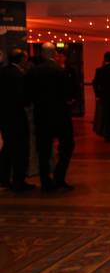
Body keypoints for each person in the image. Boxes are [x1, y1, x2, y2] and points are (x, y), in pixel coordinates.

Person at [27, 43, 75, 192]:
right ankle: (59, 178)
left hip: (41, 116)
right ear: (54, 53)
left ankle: (45, 182)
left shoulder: (33, 72)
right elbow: (68, 95)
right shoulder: (60, 71)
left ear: (42, 54)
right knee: (67, 146)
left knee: (43, 150)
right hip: (61, 117)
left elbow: (28, 96)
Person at [0, 48, 35, 192]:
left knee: (7, 148)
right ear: (21, 59)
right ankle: (18, 181)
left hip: (4, 117)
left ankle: (3, 179)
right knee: (20, 149)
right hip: (16, 117)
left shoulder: (2, 72)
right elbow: (24, 98)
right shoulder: (19, 75)